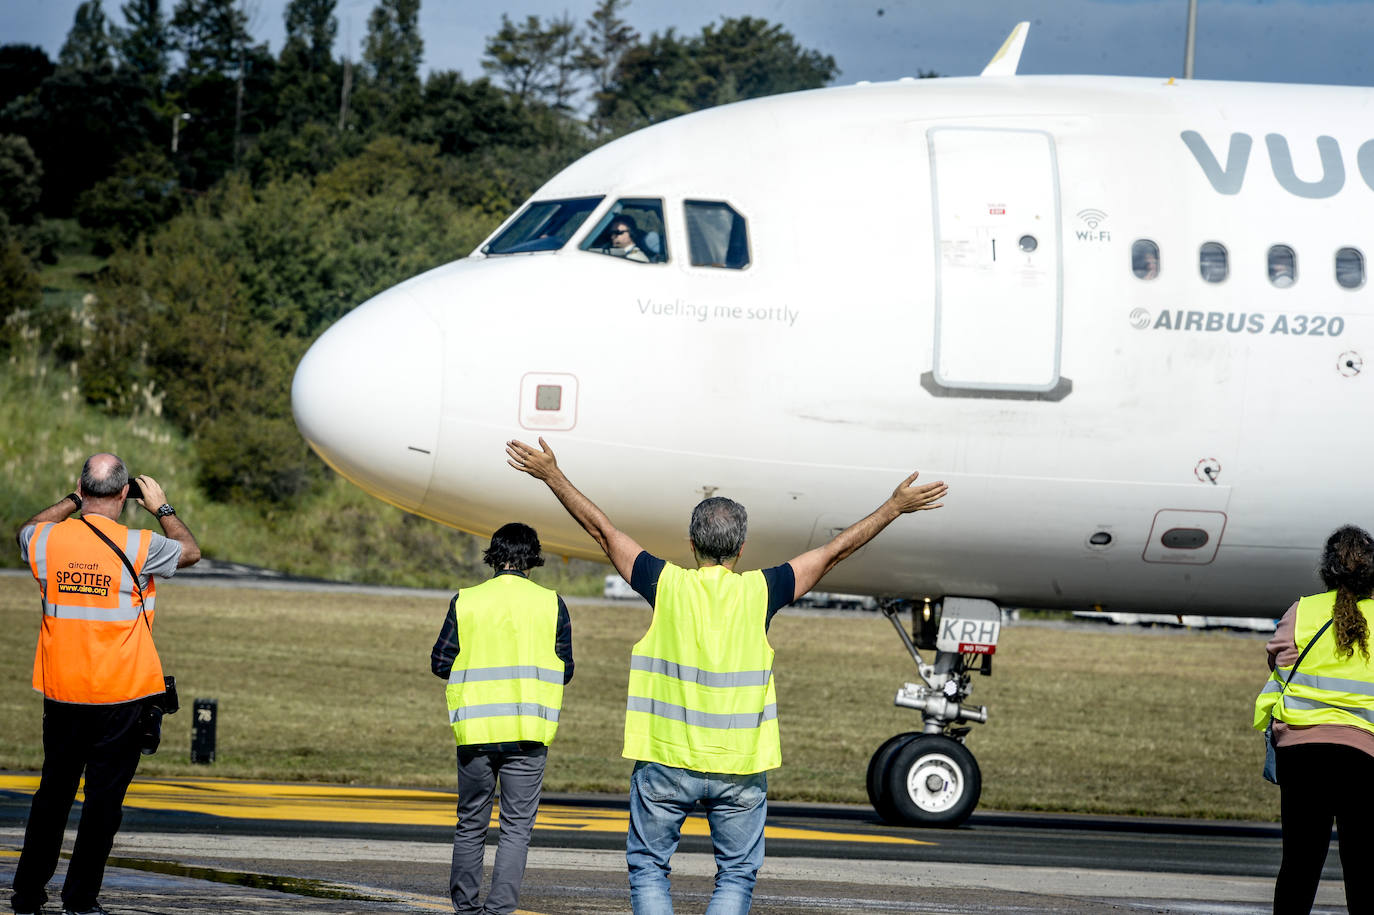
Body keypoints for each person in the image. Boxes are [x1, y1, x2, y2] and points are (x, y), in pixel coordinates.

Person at [505, 437, 946, 914]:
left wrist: (552, 475)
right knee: (735, 875)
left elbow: (602, 531)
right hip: (740, 765)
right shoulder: (762, 591)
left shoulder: (666, 583)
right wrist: (894, 507)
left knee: (650, 869)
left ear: (692, 544)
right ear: (741, 548)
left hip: (666, 760)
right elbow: (835, 552)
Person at [10, 454, 200, 915]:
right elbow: (190, 552)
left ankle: (27, 895)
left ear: (81, 488)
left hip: (63, 694)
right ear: (124, 495)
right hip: (122, 697)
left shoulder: (46, 541)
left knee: (52, 798)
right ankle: (79, 901)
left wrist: (72, 501)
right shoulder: (140, 544)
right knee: (102, 805)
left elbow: (27, 528)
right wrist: (163, 508)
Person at [431, 522, 574, 915]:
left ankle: (465, 908)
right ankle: (499, 911)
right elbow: (565, 667)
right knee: (515, 830)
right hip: (528, 733)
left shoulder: (466, 600)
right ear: (534, 558)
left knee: (471, 824)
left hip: (475, 733)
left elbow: (440, 661)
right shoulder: (552, 603)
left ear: (494, 556)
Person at [1254, 525, 1374, 914]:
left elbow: (1277, 659)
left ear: (1326, 569)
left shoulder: (1303, 610)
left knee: (1300, 866)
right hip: (1365, 756)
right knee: (1363, 869)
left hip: (1302, 753)